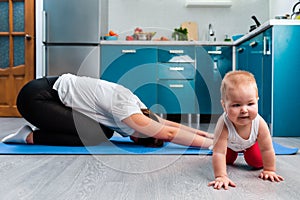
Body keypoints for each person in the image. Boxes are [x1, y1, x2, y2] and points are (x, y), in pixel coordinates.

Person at [2, 73, 213, 148]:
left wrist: (211, 135)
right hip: (37, 98)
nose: (131, 137)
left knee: (103, 132)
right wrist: (213, 146)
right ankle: (28, 137)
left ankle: (31, 135)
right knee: (96, 135)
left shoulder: (140, 108)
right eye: (137, 137)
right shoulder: (131, 113)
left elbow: (168, 125)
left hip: (47, 98)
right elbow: (166, 132)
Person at [208, 70, 284, 190]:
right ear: (224, 106)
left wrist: (269, 169)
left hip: (250, 146)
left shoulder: (260, 123)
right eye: (236, 105)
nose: (244, 110)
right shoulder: (223, 124)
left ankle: (250, 155)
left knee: (258, 162)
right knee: (224, 160)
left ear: (257, 100)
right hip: (229, 147)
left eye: (250, 104)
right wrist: (221, 176)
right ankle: (232, 156)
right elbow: (219, 152)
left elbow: (267, 148)